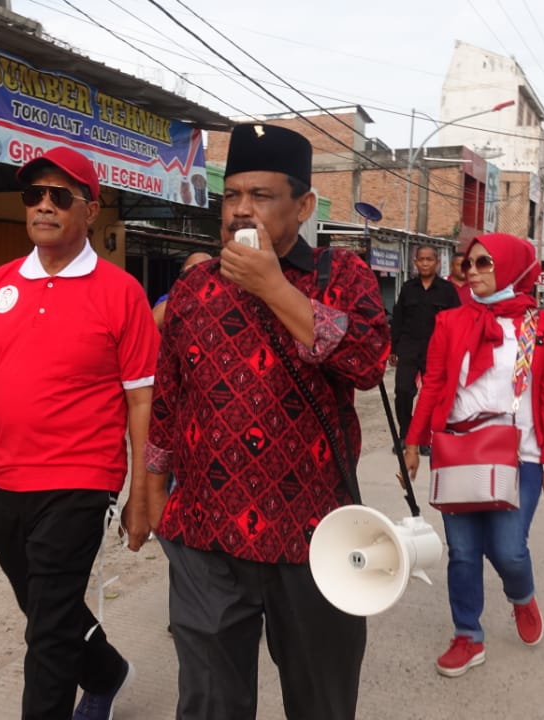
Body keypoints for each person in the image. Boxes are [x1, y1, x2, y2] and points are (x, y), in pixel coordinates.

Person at [144, 123, 390, 719]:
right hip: (205, 533)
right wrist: (150, 495)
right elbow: (168, 403)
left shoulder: (342, 274)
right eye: (232, 195)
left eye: (261, 195)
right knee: (209, 705)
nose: (241, 210)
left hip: (316, 539)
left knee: (321, 702)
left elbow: (367, 363)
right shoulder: (195, 288)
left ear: (303, 205)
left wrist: (274, 286)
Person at [0, 145, 159, 720]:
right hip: (10, 476)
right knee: (49, 608)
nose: (43, 206)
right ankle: (107, 671)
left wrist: (142, 493)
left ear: (89, 210)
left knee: (45, 635)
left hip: (82, 478)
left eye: (59, 196)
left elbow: (142, 398)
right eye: (34, 195)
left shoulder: (120, 293)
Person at [403, 233, 544, 678]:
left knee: (509, 551)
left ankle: (521, 596)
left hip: (522, 454)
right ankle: (467, 635)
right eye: (467, 264)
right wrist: (412, 444)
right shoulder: (451, 322)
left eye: (483, 263)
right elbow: (434, 384)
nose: (471, 271)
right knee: (462, 552)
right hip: (457, 451)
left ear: (512, 268)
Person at [391, 244, 461, 449]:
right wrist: (393, 348)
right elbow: (398, 319)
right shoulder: (407, 288)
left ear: (437, 263)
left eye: (429, 259)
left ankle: (426, 437)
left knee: (432, 395)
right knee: (403, 390)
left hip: (436, 349)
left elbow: (457, 321)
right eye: (421, 259)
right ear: (415, 262)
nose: (425, 263)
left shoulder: (448, 291)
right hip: (409, 346)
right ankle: (405, 433)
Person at [153, 251, 213, 329]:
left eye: (207, 270)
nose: (199, 276)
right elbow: (153, 321)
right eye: (193, 270)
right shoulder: (169, 299)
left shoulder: (221, 301)